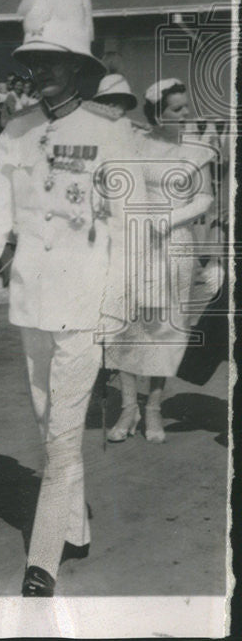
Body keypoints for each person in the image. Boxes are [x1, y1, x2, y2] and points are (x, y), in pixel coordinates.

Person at [0, 0, 135, 597]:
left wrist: (117, 309)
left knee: (63, 432)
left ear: (80, 68)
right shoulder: (15, 133)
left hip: (85, 303)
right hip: (33, 298)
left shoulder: (111, 134)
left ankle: (43, 559)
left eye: (55, 62)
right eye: (35, 60)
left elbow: (128, 232)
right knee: (46, 420)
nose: (43, 72)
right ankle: (75, 530)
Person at [103, 79, 214, 444]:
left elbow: (204, 200)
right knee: (128, 327)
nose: (186, 115)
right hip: (134, 243)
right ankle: (127, 409)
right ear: (157, 113)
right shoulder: (135, 143)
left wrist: (167, 219)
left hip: (175, 244)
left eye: (186, 107)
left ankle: (153, 410)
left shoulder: (197, 150)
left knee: (165, 330)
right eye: (177, 109)